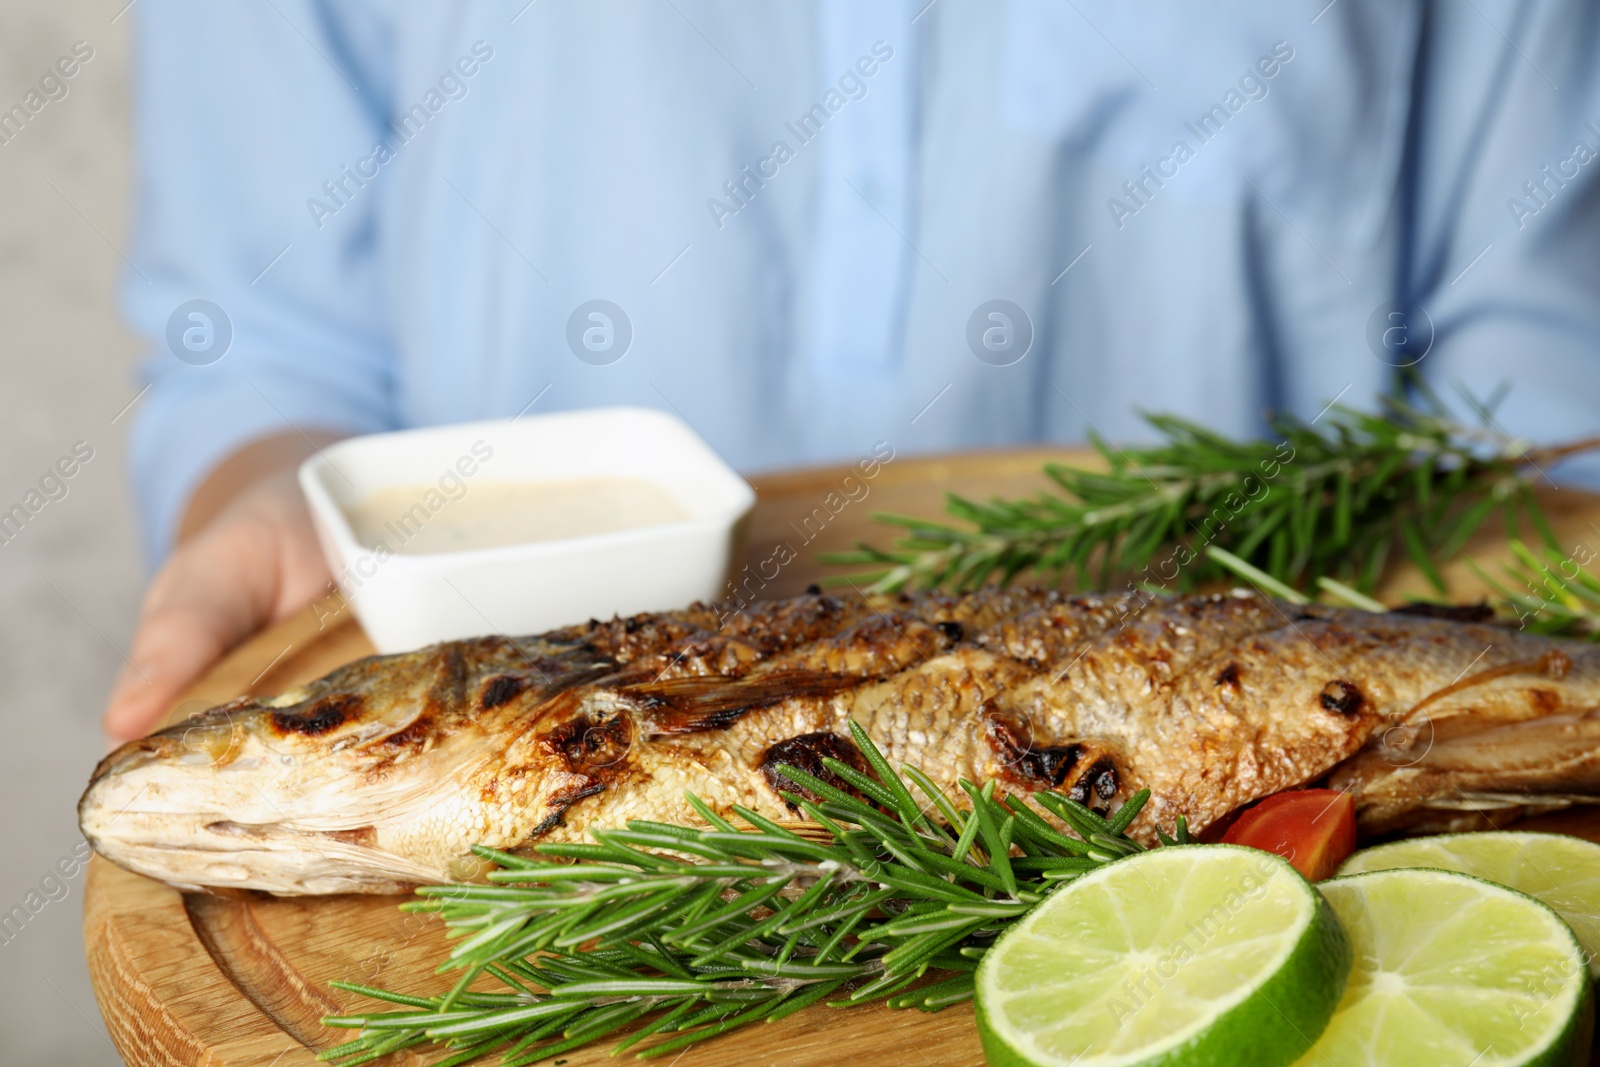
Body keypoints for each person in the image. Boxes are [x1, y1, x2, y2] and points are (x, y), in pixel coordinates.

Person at [104, 0, 1600, 740]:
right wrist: (268, 489)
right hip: (518, 798)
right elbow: (262, 336)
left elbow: (1548, 413)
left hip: (1249, 837)